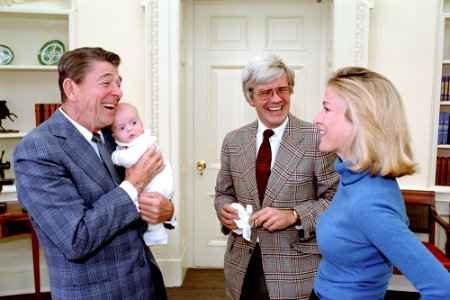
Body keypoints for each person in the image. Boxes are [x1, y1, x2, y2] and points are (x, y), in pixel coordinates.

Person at [13, 47, 174, 300]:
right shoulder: (37, 150)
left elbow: (134, 207)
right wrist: (134, 183)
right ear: (71, 89)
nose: (118, 91)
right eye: (106, 82)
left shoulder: (114, 137)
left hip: (146, 286)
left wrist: (166, 211)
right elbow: (76, 239)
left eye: (119, 83)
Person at [311, 67, 450, 300]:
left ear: (360, 121)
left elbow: (442, 288)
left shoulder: (369, 201)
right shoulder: (354, 178)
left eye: (326, 108)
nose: (317, 118)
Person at [214, 54, 340, 300]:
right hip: (242, 264)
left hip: (297, 268)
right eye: (265, 92)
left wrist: (293, 215)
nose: (276, 99)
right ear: (250, 98)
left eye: (282, 90)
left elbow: (335, 199)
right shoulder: (233, 141)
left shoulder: (317, 138)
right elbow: (223, 193)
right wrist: (225, 210)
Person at [111, 102, 175, 246]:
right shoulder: (121, 142)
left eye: (134, 123)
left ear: (141, 123)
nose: (130, 129)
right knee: (145, 205)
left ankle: (157, 233)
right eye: (122, 128)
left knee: (148, 204)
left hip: (159, 182)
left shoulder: (142, 140)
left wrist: (115, 157)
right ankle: (156, 232)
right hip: (152, 183)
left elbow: (129, 159)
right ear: (114, 134)